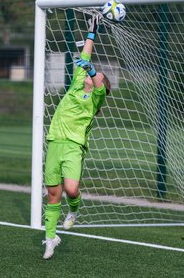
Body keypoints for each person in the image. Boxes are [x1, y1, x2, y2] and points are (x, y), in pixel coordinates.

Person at [42, 14, 111, 259]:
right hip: (55, 142)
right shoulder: (77, 84)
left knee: (71, 190)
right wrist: (91, 33)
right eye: (96, 73)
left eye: (100, 75)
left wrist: (92, 69)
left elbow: (96, 79)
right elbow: (86, 57)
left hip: (73, 146)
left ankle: (73, 211)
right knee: (52, 194)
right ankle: (50, 238)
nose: (97, 74)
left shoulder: (95, 98)